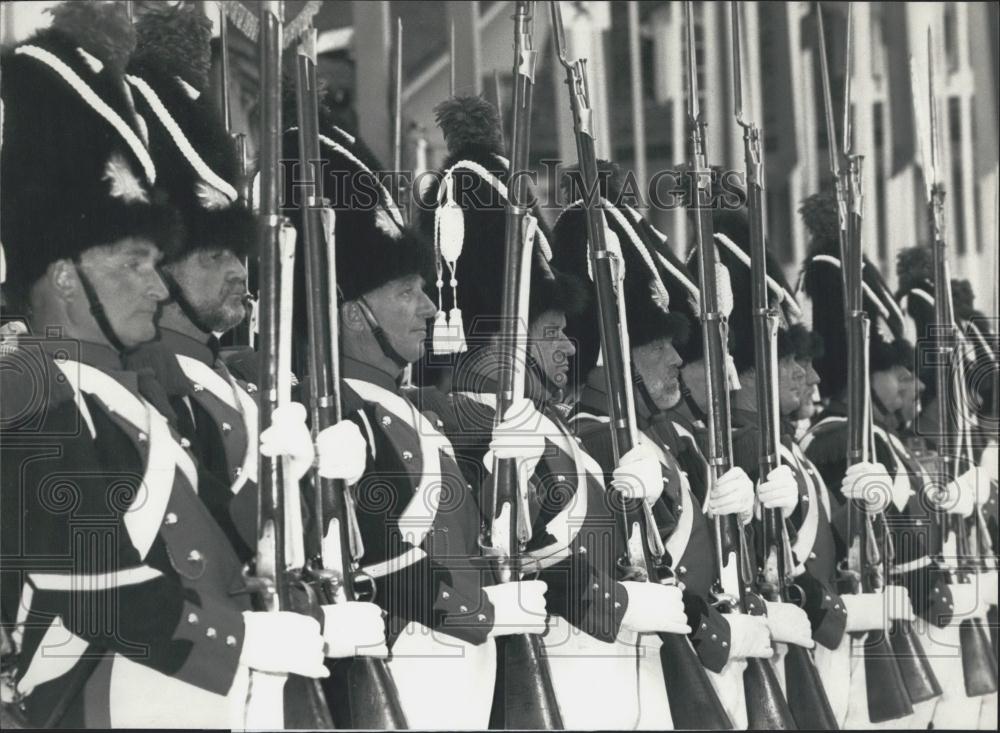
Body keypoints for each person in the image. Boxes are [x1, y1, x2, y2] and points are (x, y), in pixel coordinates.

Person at [0, 5, 327, 727]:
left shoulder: (126, 396)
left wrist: (292, 481)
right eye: (135, 261)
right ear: (63, 275)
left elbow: (227, 543)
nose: (156, 283)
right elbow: (89, 583)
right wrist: (240, 639)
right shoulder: (22, 390)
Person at [121, 2, 388, 669]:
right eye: (216, 256)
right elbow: (187, 542)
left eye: (241, 255)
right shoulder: (158, 376)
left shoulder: (234, 377)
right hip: (193, 666)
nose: (241, 272)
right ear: (164, 268)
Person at [414, 98, 693, 730]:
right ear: (501, 335)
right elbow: (509, 546)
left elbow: (583, 534)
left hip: (611, 685)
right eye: (549, 331)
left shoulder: (548, 428)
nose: (570, 347)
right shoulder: (461, 420)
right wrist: (617, 602)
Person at [280, 101, 547, 730]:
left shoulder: (412, 410)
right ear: (352, 313)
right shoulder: (336, 412)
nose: (430, 306)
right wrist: (483, 612)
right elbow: (375, 557)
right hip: (405, 671)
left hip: (457, 683)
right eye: (406, 292)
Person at [552, 164, 784, 729]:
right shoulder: (591, 437)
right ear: (615, 352)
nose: (679, 359)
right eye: (657, 344)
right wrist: (714, 629)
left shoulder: (655, 437)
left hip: (697, 668)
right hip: (633, 676)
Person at [799, 192, 969, 729]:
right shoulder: (834, 439)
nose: (913, 384)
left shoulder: (878, 436)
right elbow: (839, 544)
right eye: (898, 372)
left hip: (908, 617)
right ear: (865, 368)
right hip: (865, 627)